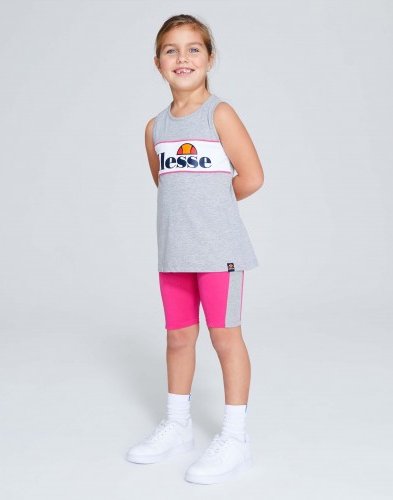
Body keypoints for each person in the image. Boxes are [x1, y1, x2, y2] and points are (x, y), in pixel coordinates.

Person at [125, 14, 264, 485]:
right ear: (158, 63)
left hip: (219, 251)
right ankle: (177, 425)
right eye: (171, 50)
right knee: (178, 338)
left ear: (209, 58)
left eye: (193, 49)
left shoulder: (219, 114)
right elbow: (167, 185)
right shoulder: (154, 127)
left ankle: (236, 439)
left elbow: (252, 177)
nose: (182, 58)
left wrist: (213, 211)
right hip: (174, 253)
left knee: (225, 339)